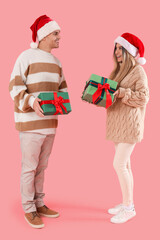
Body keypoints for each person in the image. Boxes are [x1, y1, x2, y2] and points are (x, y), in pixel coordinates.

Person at [9, 15, 68, 229]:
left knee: (41, 167)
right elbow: (14, 87)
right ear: (43, 36)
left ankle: (39, 203)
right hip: (30, 125)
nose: (60, 36)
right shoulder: (25, 57)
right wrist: (32, 101)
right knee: (29, 167)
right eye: (55, 33)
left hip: (50, 125)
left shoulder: (57, 62)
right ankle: (28, 208)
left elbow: (62, 90)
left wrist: (65, 103)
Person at [106, 33, 149, 224]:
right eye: (115, 48)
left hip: (130, 125)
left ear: (129, 51)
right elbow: (111, 95)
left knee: (119, 165)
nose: (116, 52)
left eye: (120, 48)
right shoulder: (117, 72)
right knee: (127, 165)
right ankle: (126, 203)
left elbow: (143, 97)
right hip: (117, 124)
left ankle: (129, 208)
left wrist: (122, 92)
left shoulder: (138, 71)